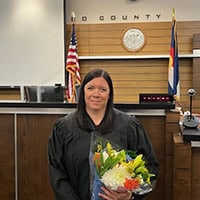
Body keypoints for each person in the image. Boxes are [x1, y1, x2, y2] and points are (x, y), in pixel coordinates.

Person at [48, 68, 159, 200]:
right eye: (90, 88)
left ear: (110, 94)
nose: (96, 94)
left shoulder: (129, 126)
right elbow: (57, 172)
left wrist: (130, 195)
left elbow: (149, 165)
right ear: (82, 92)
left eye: (103, 89)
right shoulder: (64, 128)